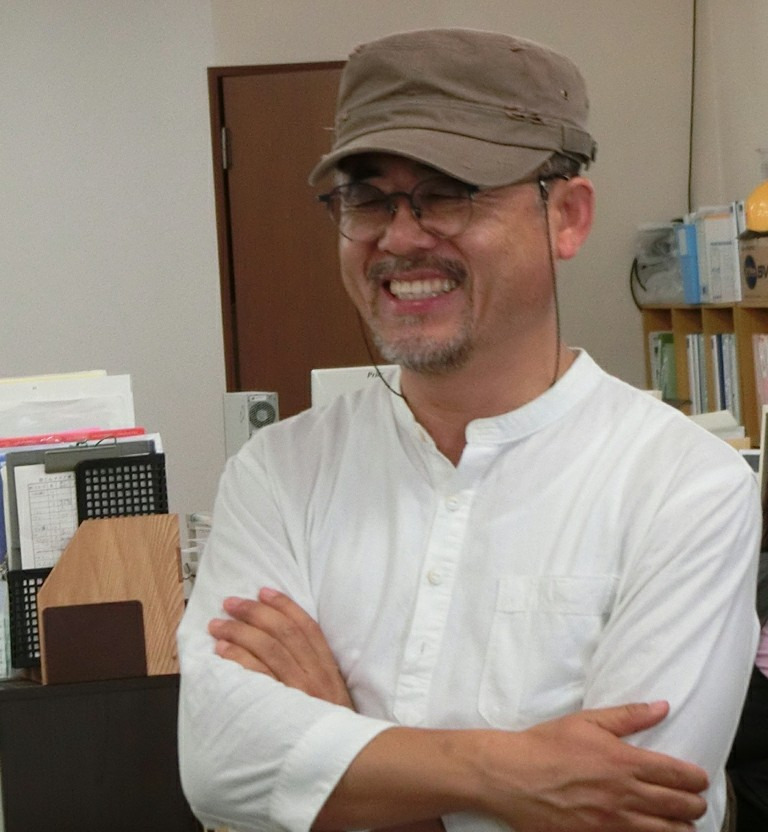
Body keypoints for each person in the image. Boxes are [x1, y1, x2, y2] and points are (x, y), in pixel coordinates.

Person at [177, 28, 760, 832]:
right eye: (367, 199)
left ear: (567, 217)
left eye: (450, 191)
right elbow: (217, 764)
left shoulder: (684, 487)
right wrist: (504, 775)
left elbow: (638, 814)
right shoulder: (279, 473)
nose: (399, 237)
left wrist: (336, 743)